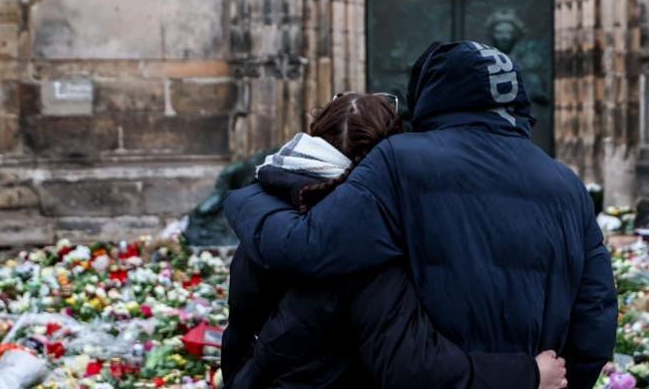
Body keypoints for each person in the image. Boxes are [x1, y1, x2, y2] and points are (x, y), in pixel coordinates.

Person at [225, 41, 618, 389]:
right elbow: (596, 315)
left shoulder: (400, 160)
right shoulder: (567, 183)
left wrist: (248, 197)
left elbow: (311, 246)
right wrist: (558, 379)